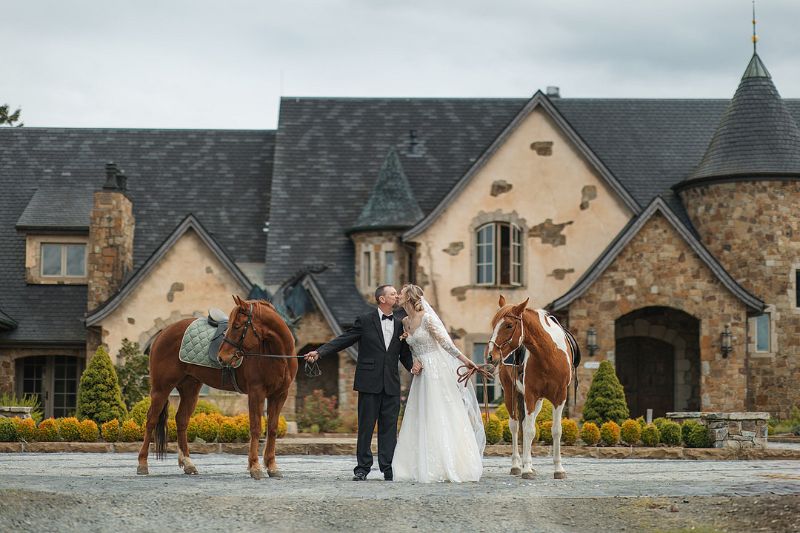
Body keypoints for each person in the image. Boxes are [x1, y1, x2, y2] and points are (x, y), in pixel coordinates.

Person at [303, 285, 421, 481]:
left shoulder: (402, 323)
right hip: (368, 382)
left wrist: (413, 367)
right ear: (382, 299)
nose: (397, 296)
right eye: (393, 294)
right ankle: (362, 468)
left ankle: (388, 467)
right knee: (366, 426)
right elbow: (345, 339)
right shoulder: (365, 321)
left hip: (391, 382)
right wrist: (320, 352)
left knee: (389, 428)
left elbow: (404, 355)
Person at [392, 284, 485, 482]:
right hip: (421, 374)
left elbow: (446, 343)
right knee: (421, 415)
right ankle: (419, 464)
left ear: (409, 298)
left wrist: (467, 362)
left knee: (440, 412)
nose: (398, 295)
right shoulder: (405, 322)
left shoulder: (427, 318)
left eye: (401, 293)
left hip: (437, 371)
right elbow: (413, 348)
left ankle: (449, 464)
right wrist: (415, 361)